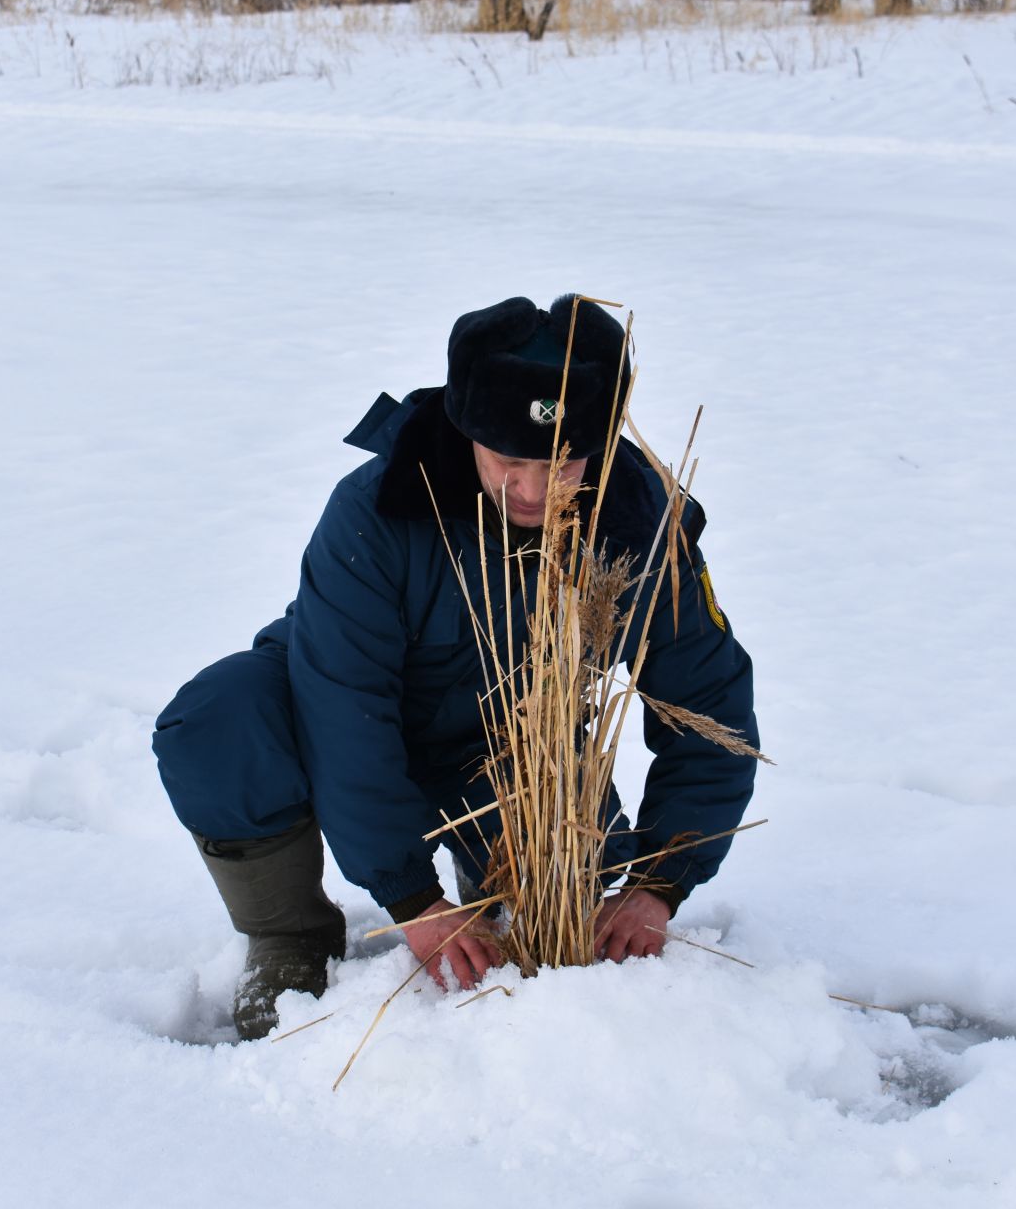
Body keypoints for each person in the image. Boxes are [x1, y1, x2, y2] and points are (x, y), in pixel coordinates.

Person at [152, 295, 759, 1040]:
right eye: (509, 461)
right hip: (335, 720)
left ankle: (498, 877)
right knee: (218, 719)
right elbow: (344, 710)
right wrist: (410, 900)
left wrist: (659, 885)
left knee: (574, 885)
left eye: (563, 461)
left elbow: (711, 703)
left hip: (513, 755)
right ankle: (289, 936)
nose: (535, 492)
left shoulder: (641, 522)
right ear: (470, 430)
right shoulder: (376, 509)